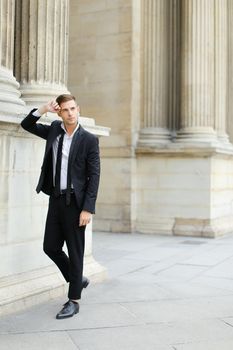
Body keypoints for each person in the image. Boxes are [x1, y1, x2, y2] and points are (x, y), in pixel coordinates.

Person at [21, 94, 100, 319]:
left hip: (76, 204)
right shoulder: (54, 130)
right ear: (60, 113)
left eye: (73, 108)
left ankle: (73, 300)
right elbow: (27, 125)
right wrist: (43, 108)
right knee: (50, 247)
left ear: (78, 109)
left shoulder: (89, 140)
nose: (70, 113)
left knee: (76, 253)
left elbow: (94, 176)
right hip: (55, 200)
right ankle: (78, 279)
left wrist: (88, 208)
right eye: (65, 110)